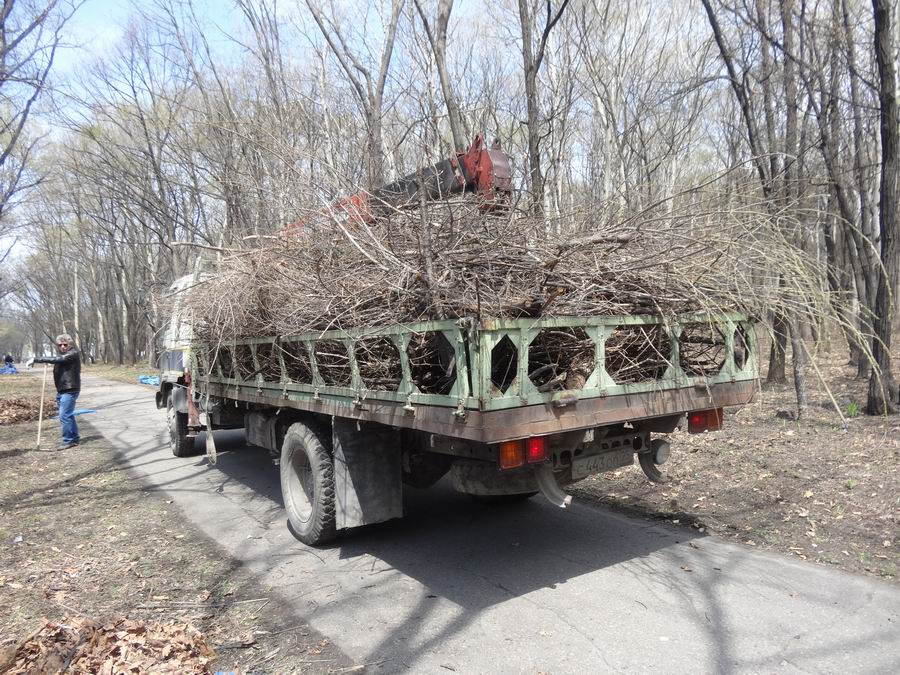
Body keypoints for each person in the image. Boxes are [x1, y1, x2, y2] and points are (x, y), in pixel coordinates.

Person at [27, 334, 81, 450]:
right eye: (60, 345)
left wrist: (37, 359)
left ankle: (68, 441)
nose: (62, 346)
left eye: (65, 344)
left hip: (70, 390)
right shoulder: (62, 355)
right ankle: (75, 438)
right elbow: (58, 359)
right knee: (69, 415)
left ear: (70, 345)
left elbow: (60, 359)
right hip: (62, 390)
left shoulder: (72, 354)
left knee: (64, 415)